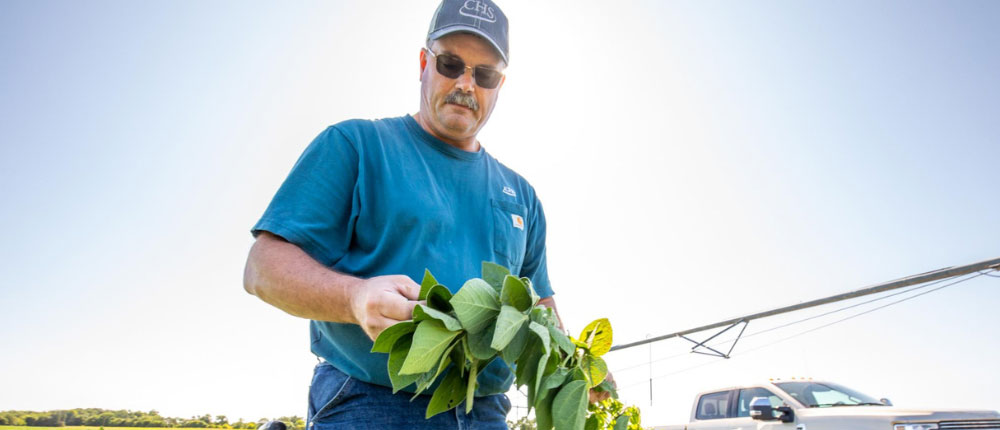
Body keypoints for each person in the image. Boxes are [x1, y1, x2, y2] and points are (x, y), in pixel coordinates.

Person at [243, 0, 607, 428]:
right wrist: (355, 298)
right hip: (371, 401)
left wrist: (573, 367)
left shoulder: (522, 195)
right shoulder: (357, 145)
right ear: (423, 63)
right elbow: (262, 269)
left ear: (499, 85)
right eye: (451, 64)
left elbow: (540, 302)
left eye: (484, 74)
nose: (466, 85)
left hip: (486, 410)